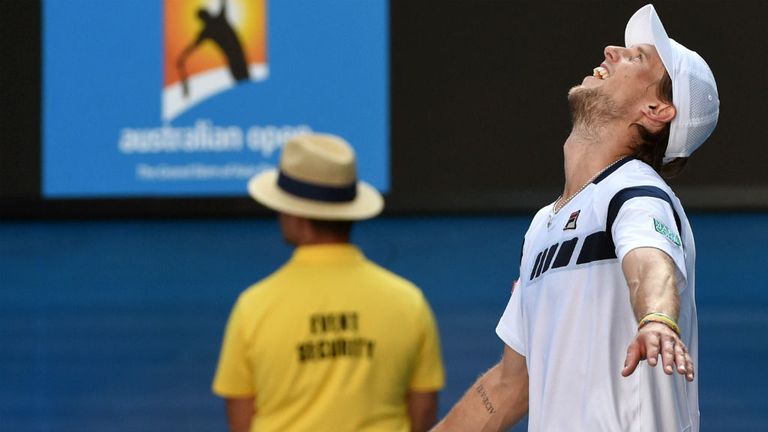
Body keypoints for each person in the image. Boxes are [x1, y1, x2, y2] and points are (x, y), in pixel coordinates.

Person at [434, 4, 718, 431]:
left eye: (635, 57)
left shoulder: (638, 191)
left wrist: (657, 318)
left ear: (656, 111)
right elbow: (510, 385)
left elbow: (650, 262)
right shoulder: (542, 226)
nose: (610, 51)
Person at [212, 133, 445, 432]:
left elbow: (241, 419)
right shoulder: (408, 302)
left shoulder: (253, 307)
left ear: (296, 218)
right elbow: (423, 410)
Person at [177, 0, 249, 97]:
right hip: (237, 57)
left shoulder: (208, 29)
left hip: (236, 58)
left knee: (243, 84)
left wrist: (182, 57)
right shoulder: (217, 21)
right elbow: (193, 46)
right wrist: (183, 57)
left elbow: (192, 47)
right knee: (244, 84)